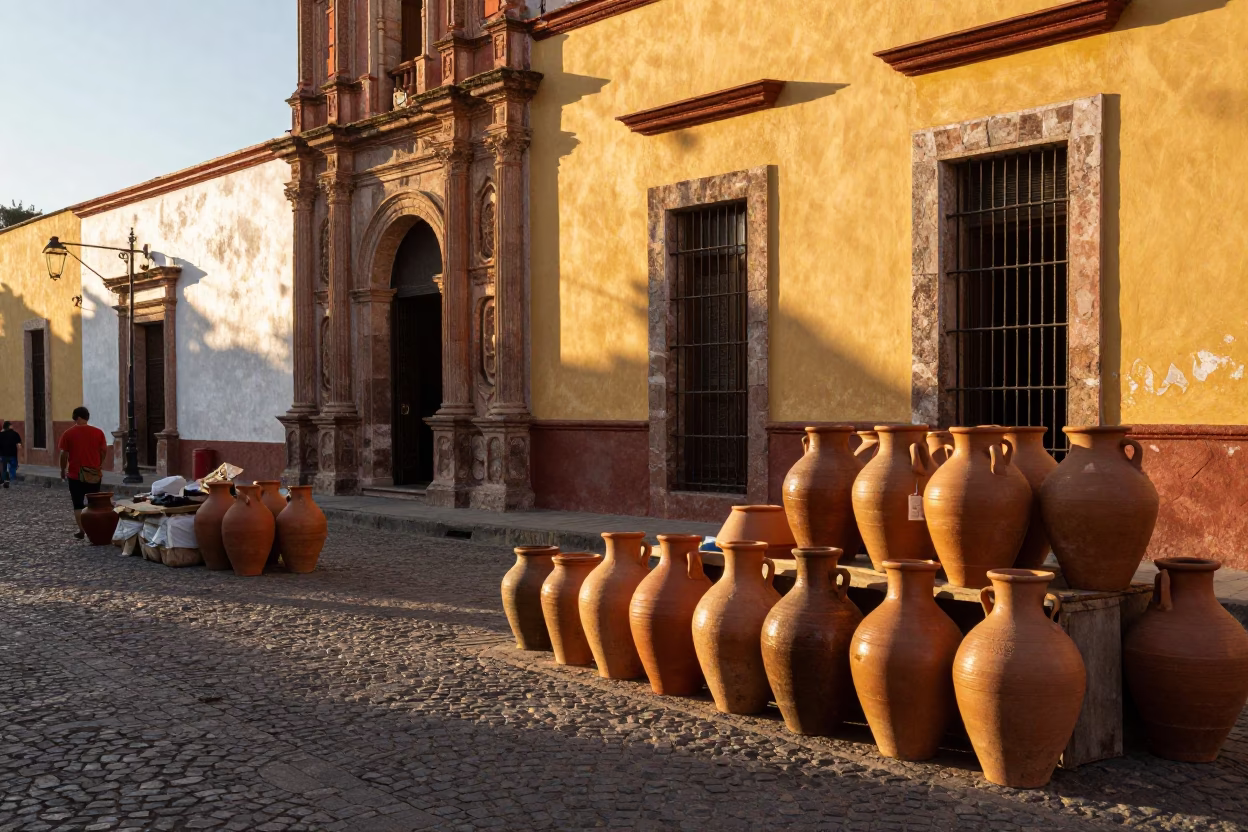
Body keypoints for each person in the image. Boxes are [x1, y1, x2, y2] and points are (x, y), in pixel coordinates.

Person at [59, 406, 108, 540]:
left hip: (75, 474)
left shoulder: (68, 433)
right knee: (95, 503)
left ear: (77, 417)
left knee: (78, 503)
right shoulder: (98, 432)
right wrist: (99, 463)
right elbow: (104, 451)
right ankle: (95, 529)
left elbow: (64, 454)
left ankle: (82, 530)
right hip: (94, 473)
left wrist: (63, 469)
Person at [0, 421, 21, 488]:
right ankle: (11, 480)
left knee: (4, 468)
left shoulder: (1, 434)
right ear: (10, 426)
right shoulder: (15, 434)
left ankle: (5, 480)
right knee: (12, 468)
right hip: (12, 454)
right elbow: (19, 445)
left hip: (3, 454)